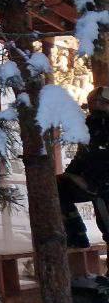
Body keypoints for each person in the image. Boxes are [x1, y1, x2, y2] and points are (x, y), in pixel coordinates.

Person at [59, 86, 109, 249]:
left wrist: (97, 183)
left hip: (103, 186)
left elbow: (98, 156)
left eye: (100, 103)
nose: (96, 107)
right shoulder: (91, 125)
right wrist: (71, 175)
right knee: (59, 187)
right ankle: (77, 237)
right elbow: (83, 156)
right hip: (93, 184)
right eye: (94, 103)